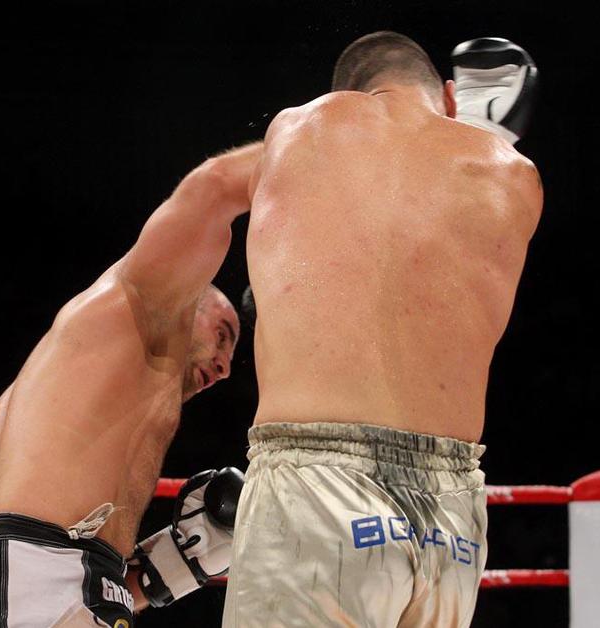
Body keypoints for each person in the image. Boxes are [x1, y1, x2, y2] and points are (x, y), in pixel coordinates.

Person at [223, 32, 542, 627]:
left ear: (353, 93)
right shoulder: (514, 177)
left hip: (320, 487)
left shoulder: (304, 128)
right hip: (453, 520)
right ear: (449, 97)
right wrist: (475, 130)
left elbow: (219, 190)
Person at [0, 141, 264, 627]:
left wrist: (181, 562)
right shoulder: (134, 302)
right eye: (223, 335)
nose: (226, 366)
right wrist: (322, 143)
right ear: (187, 298)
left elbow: (29, 566)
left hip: (25, 587)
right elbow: (215, 185)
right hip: (27, 585)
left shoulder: (56, 408)